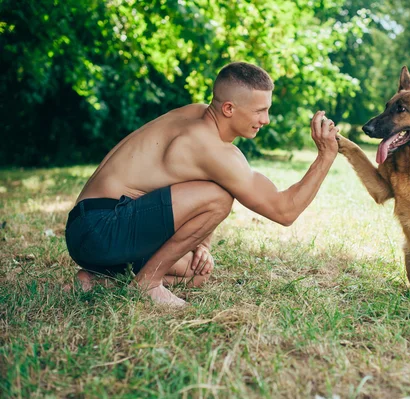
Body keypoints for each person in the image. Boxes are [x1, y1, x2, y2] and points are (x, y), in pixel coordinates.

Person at [65, 62, 340, 306]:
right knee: (219, 198)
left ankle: (98, 280)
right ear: (229, 108)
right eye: (260, 111)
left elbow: (188, 181)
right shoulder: (206, 146)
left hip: (90, 230)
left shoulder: (199, 113)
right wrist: (326, 156)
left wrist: (203, 246)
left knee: (196, 273)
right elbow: (284, 211)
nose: (265, 120)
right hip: (100, 228)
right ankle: (147, 284)